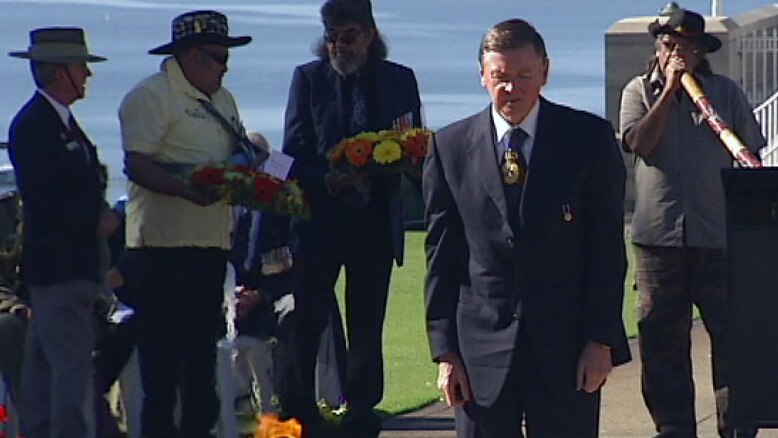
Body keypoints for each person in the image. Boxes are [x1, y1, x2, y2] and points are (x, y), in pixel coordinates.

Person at [424, 18, 630, 437]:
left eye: (523, 76)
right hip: (479, 355)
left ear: (545, 74)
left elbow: (606, 250)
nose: (511, 89)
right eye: (500, 77)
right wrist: (445, 353)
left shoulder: (587, 139)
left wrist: (600, 340)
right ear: (482, 75)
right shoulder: (449, 148)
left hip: (566, 348)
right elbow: (441, 257)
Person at [276, 0, 423, 436]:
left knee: (367, 320)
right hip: (320, 221)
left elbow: (414, 141)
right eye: (332, 37)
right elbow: (293, 150)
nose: (340, 45)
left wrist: (407, 161)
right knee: (308, 319)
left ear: (370, 34)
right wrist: (327, 179)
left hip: (375, 221)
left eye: (349, 36)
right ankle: (300, 411)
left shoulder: (399, 79)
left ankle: (362, 411)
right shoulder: (308, 79)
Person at [619, 8, 765, 438]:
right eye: (666, 45)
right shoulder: (637, 92)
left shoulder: (727, 93)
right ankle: (674, 428)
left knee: (733, 341)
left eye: (682, 46)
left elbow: (748, 156)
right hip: (658, 241)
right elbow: (640, 144)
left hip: (718, 238)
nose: (673, 53)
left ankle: (736, 425)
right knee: (662, 344)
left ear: (700, 51)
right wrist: (667, 90)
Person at [117, 10, 254, 437]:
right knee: (162, 370)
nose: (225, 66)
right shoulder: (152, 96)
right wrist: (187, 189)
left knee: (200, 365)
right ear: (192, 57)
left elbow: (242, 150)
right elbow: (137, 164)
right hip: (162, 250)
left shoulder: (223, 101)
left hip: (209, 247)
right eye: (218, 56)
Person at [7, 27, 119, 438]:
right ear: (59, 73)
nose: (86, 76)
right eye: (80, 68)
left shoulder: (60, 122)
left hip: (64, 269)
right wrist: (96, 220)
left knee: (40, 374)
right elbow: (46, 199)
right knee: (71, 374)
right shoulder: (35, 126)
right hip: (59, 268)